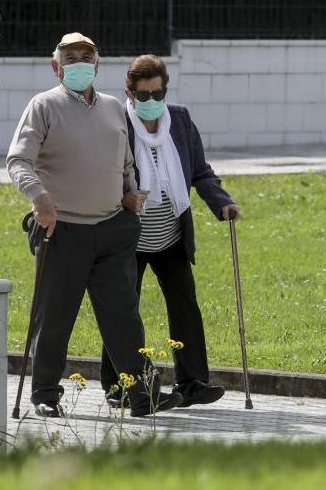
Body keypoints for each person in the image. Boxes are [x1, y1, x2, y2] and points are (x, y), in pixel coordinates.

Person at [7, 33, 183, 417]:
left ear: (98, 63)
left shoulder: (113, 108)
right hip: (62, 230)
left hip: (112, 231)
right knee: (54, 317)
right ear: (57, 67)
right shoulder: (43, 106)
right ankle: (45, 396)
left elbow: (124, 163)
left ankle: (141, 396)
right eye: (71, 57)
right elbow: (18, 161)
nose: (80, 62)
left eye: (87, 55)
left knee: (124, 318)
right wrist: (39, 199)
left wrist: (130, 195)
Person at [98, 54, 240, 408]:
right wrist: (125, 197)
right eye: (143, 96)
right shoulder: (117, 122)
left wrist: (222, 202)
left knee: (185, 306)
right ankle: (120, 385)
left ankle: (192, 382)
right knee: (123, 311)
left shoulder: (179, 118)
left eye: (157, 95)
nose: (150, 103)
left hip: (171, 236)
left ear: (165, 91)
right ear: (128, 93)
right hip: (130, 237)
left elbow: (201, 172)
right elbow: (103, 178)